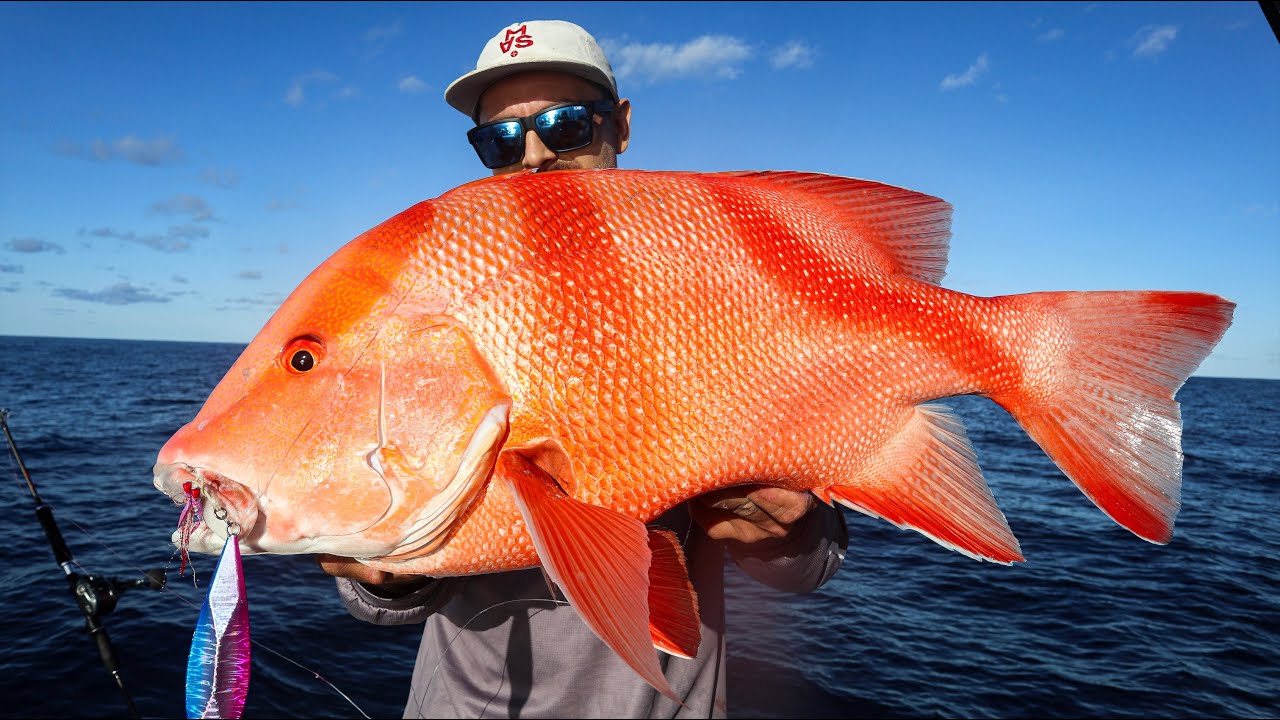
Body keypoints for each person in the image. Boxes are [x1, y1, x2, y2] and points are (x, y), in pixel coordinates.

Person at [318, 20, 848, 718]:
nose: (534, 157)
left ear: (620, 126)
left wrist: (791, 530)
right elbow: (386, 597)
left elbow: (811, 564)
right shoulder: (449, 311)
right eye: (500, 140)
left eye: (566, 126)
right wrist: (381, 578)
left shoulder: (710, 291)